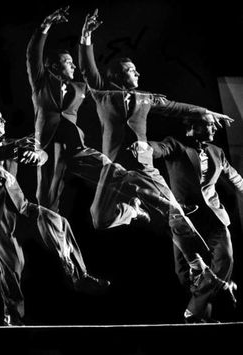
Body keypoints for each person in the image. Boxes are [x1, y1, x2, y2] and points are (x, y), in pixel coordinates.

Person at [79, 9, 235, 284]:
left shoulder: (147, 98)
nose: (137, 73)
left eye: (136, 70)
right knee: (99, 219)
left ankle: (197, 264)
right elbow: (88, 70)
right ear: (118, 74)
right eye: (131, 71)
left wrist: (207, 112)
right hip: (112, 166)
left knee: (172, 210)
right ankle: (135, 211)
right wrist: (86, 37)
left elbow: (175, 107)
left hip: (143, 166)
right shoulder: (104, 94)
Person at [0, 105, 109, 326]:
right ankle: (12, 315)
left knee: (59, 222)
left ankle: (80, 276)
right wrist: (16, 146)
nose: (3, 121)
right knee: (13, 265)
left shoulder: (11, 143)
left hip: (21, 206)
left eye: (2, 118)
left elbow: (38, 154)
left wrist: (38, 156)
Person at [26, 6, 149, 225]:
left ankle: (144, 204)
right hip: (48, 147)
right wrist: (45, 26)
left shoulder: (80, 88)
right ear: (53, 65)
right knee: (46, 202)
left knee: (113, 171)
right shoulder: (41, 83)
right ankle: (61, 250)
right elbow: (33, 54)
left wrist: (86, 36)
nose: (73, 65)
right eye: (67, 62)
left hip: (75, 147)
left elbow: (90, 71)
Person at [149, 113, 238, 323]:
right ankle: (203, 315)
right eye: (209, 125)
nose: (215, 129)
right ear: (192, 128)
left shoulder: (217, 151)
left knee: (225, 260)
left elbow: (234, 177)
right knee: (185, 276)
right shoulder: (176, 145)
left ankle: (194, 312)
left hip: (214, 218)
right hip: (185, 220)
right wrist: (145, 148)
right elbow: (159, 149)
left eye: (215, 126)